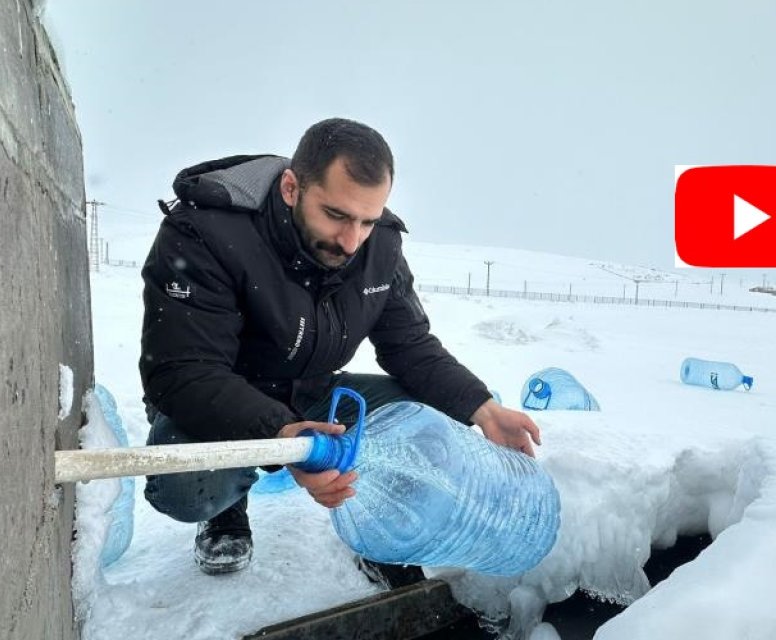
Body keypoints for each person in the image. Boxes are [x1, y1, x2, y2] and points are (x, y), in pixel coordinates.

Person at [138, 118, 542, 582]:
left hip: (313, 392)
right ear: (291, 188)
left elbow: (408, 344)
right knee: (188, 487)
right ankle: (227, 509)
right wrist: (286, 440)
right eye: (336, 215)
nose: (352, 241)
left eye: (367, 220)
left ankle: (382, 530)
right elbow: (183, 371)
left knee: (437, 416)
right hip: (219, 402)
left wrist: (484, 409)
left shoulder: (380, 245)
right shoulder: (205, 231)